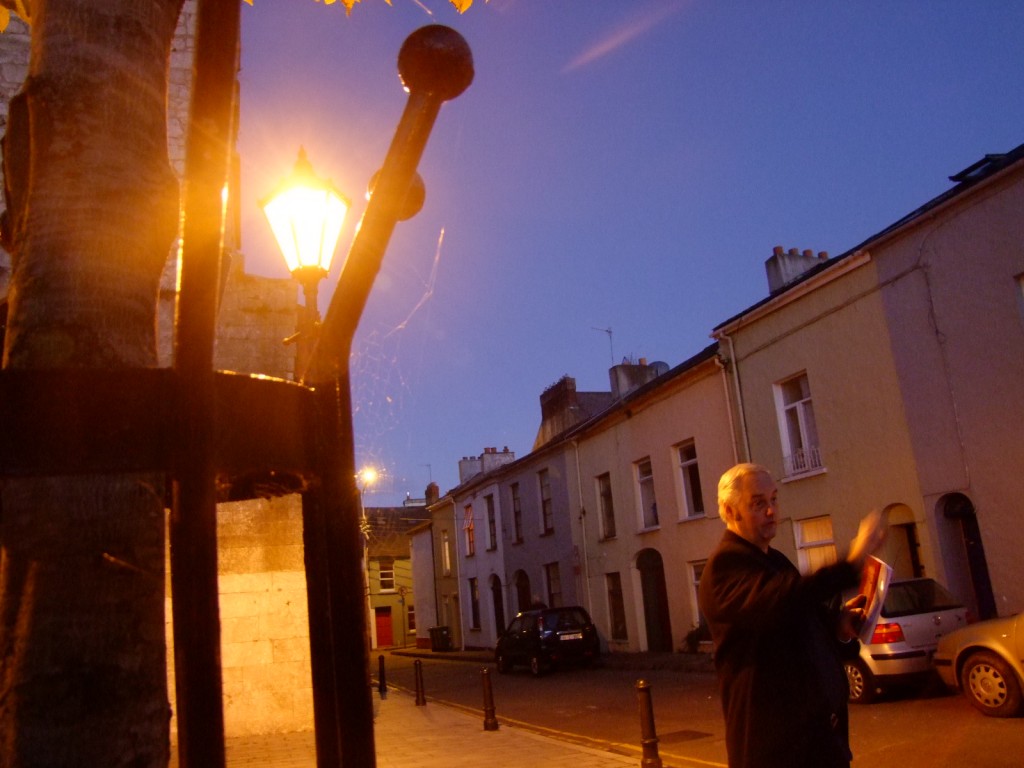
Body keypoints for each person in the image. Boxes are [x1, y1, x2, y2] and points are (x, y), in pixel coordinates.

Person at [698, 463, 886, 768]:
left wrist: (839, 626)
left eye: (774, 500)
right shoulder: (724, 567)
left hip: (818, 743)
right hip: (777, 750)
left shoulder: (775, 560)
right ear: (730, 511)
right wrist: (849, 563)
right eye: (758, 503)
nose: (772, 511)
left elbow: (799, 617)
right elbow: (782, 600)